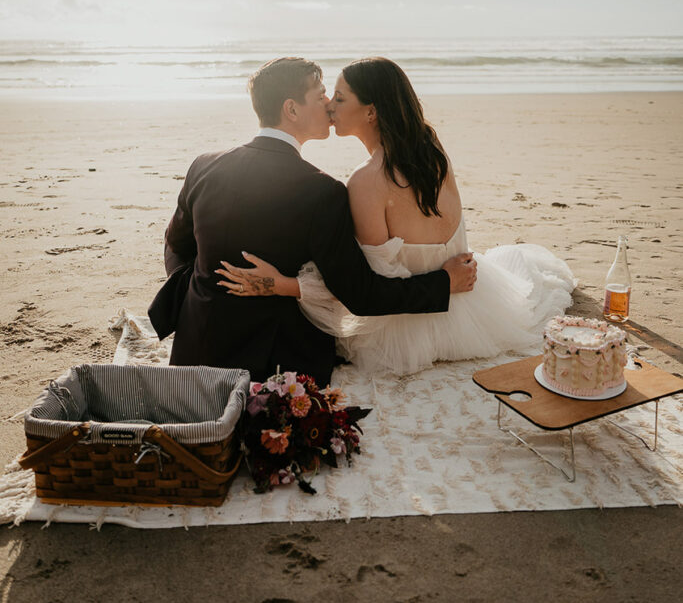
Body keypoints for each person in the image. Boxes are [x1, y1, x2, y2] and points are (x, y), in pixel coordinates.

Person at [217, 58, 576, 375]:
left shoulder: (365, 181)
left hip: (405, 332)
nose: (329, 105)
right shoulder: (431, 151)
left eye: (339, 98)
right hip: (471, 310)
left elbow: (365, 285)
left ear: (370, 112)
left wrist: (281, 284)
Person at [148, 57, 478, 387]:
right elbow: (361, 295)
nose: (328, 103)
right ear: (291, 109)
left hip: (194, 354)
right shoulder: (322, 192)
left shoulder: (204, 165)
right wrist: (442, 283)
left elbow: (175, 245)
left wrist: (198, 293)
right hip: (272, 368)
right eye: (320, 94)